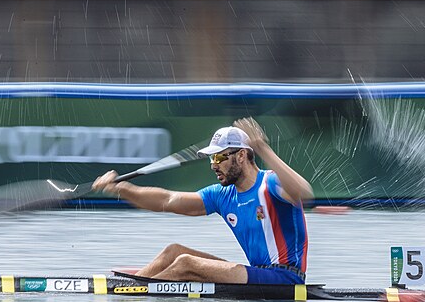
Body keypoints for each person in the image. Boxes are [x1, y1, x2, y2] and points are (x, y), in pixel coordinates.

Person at [92, 117, 313, 284]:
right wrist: (121, 189)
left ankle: (135, 296)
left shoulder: (271, 184)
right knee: (174, 252)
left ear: (242, 156)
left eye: (218, 157)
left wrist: (263, 148)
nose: (213, 165)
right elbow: (167, 200)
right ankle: (126, 287)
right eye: (211, 158)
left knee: (186, 264)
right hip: (258, 273)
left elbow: (304, 192)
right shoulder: (222, 194)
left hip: (284, 278)